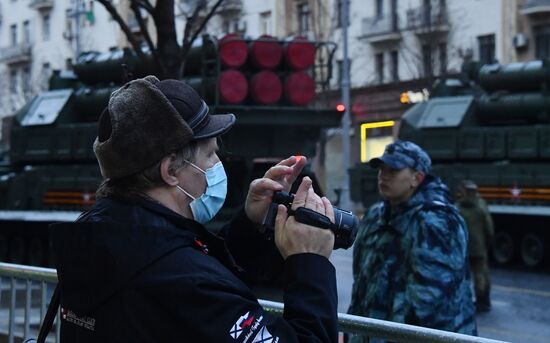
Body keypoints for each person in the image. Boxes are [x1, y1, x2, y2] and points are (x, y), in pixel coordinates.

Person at [50, 76, 338, 342]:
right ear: (170, 171)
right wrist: (309, 262)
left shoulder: (103, 237)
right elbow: (198, 288)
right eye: (210, 153)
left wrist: (249, 223)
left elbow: (197, 279)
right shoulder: (184, 282)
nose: (217, 164)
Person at [347, 140, 476, 343]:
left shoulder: (437, 221)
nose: (383, 175)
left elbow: (430, 305)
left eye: (393, 170)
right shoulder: (375, 216)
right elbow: (361, 284)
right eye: (381, 168)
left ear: (417, 178)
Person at [456, 180, 494, 313]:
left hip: (463, 246)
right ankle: (483, 301)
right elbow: (489, 228)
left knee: (463, 275)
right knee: (481, 275)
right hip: (479, 246)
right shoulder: (481, 206)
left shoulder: (458, 207)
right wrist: (487, 242)